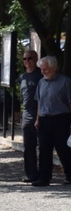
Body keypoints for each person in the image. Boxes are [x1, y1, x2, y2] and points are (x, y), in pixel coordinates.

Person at [32, 56, 71, 186]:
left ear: (54, 68)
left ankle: (69, 175)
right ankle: (44, 177)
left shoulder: (65, 82)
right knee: (44, 149)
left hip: (61, 119)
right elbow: (39, 102)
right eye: (41, 69)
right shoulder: (41, 82)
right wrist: (37, 119)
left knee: (63, 149)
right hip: (44, 119)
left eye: (46, 69)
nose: (43, 72)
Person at [17, 50, 42, 182]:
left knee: (43, 145)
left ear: (36, 58)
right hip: (26, 113)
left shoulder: (40, 75)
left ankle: (43, 174)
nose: (27, 61)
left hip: (39, 112)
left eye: (30, 58)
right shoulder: (22, 77)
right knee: (28, 146)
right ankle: (30, 173)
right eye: (24, 59)